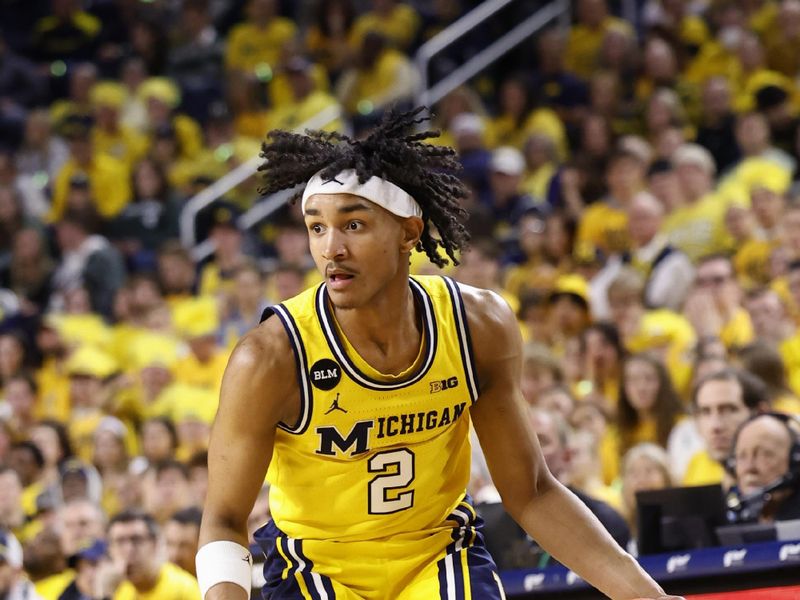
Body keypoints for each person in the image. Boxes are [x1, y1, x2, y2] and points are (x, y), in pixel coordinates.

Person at [198, 108, 680, 599]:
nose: (331, 249)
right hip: (317, 569)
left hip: (437, 556)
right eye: (317, 227)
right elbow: (223, 519)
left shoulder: (477, 326)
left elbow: (531, 491)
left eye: (354, 225)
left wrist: (648, 595)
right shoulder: (271, 355)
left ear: (410, 232)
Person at [726, 412, 800, 523]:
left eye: (764, 455)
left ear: (795, 460)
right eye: (742, 456)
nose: (749, 468)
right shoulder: (729, 522)